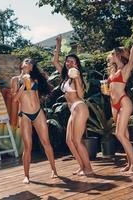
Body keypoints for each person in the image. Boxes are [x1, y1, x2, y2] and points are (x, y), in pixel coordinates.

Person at [11, 58, 58, 184]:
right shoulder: (15, 79)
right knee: (28, 146)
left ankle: (54, 170)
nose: (28, 64)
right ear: (22, 65)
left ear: (32, 68)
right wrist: (22, 87)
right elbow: (14, 99)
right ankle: (26, 175)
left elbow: (36, 97)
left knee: (46, 142)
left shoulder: (35, 80)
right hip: (25, 114)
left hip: (38, 113)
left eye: (31, 63)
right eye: (26, 61)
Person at [52, 35, 93, 176]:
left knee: (76, 140)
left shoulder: (77, 76)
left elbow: (81, 95)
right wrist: (58, 44)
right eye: (67, 61)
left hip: (79, 107)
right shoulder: (64, 76)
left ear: (76, 64)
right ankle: (82, 166)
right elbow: (55, 61)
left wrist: (76, 77)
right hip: (73, 110)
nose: (69, 63)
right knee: (69, 140)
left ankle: (88, 168)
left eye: (72, 61)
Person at [103, 46, 133, 175]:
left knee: (119, 134)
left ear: (118, 55)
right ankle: (129, 162)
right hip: (114, 105)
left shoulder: (125, 69)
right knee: (125, 135)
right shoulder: (113, 71)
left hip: (124, 103)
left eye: (112, 53)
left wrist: (127, 51)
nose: (110, 56)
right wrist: (107, 91)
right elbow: (112, 89)